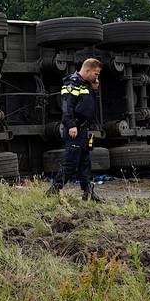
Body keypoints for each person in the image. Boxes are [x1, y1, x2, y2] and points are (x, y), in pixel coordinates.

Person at [47, 58, 103, 201]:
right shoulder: (72, 83)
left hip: (83, 129)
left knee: (85, 162)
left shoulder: (86, 84)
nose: (97, 77)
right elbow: (67, 106)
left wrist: (94, 89)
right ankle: (53, 191)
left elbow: (87, 105)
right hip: (74, 128)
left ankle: (88, 192)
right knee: (71, 163)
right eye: (96, 74)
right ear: (87, 70)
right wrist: (71, 125)